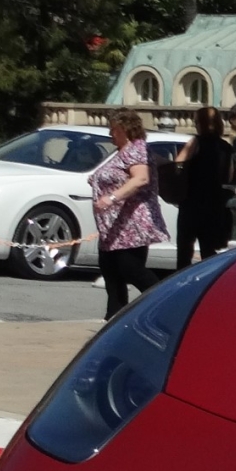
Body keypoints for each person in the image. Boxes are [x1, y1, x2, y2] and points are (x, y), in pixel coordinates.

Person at [89, 109, 168, 317]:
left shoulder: (137, 148)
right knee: (111, 273)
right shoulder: (121, 152)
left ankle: (165, 305)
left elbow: (140, 178)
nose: (110, 133)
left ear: (125, 129)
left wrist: (111, 198)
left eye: (114, 129)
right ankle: (114, 319)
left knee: (131, 270)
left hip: (131, 224)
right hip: (113, 228)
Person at [172, 105, 235, 266]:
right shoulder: (226, 147)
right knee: (209, 251)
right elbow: (229, 176)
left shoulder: (196, 142)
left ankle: (183, 285)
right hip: (214, 204)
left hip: (192, 203)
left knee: (184, 251)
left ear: (201, 124)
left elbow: (178, 163)